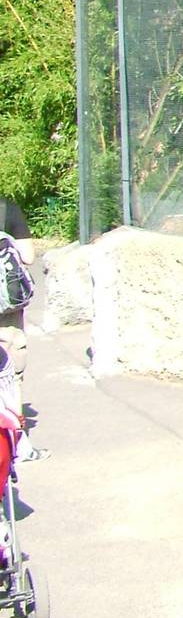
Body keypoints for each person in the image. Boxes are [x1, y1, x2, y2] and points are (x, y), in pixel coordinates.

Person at [0, 198, 43, 462]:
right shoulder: (6, 208)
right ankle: (17, 448)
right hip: (6, 312)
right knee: (10, 379)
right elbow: (27, 257)